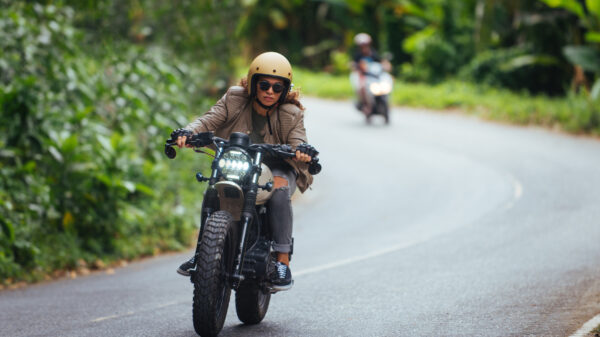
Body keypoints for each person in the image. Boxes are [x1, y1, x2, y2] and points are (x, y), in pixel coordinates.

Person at [172, 51, 314, 290]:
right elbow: (207, 121)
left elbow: (298, 140)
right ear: (253, 83)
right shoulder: (234, 98)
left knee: (279, 192)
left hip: (278, 165)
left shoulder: (292, 114)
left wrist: (302, 151)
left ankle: (282, 261)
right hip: (240, 160)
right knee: (213, 187)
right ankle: (203, 252)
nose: (270, 91)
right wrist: (188, 132)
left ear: (284, 90)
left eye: (277, 88)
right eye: (265, 84)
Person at [350, 33, 390, 116]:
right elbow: (353, 64)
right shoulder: (357, 54)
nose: (364, 46)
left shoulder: (373, 52)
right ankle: (365, 104)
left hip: (374, 75)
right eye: (362, 44)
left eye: (365, 44)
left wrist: (385, 65)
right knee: (361, 87)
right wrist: (356, 67)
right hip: (363, 75)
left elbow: (380, 62)